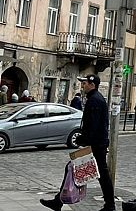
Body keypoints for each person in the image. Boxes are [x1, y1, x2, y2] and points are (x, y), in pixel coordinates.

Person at [40, 74, 115, 211]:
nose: (83, 85)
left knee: (84, 170)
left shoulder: (95, 100)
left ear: (92, 85)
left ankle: (110, 205)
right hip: (97, 144)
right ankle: (59, 201)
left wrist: (84, 139)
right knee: (92, 172)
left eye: (85, 83)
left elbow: (94, 125)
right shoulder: (94, 98)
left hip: (96, 145)